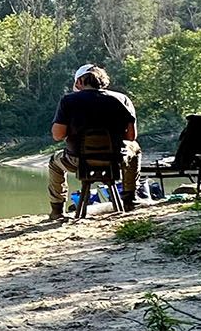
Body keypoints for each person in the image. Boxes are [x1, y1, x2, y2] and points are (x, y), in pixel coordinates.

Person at [47, 63, 140, 221]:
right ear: (104, 81)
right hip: (115, 160)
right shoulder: (122, 99)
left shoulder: (68, 101)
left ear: (80, 82)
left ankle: (57, 210)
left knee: (54, 162)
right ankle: (130, 199)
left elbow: (57, 135)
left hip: (77, 160)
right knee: (135, 149)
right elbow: (131, 136)